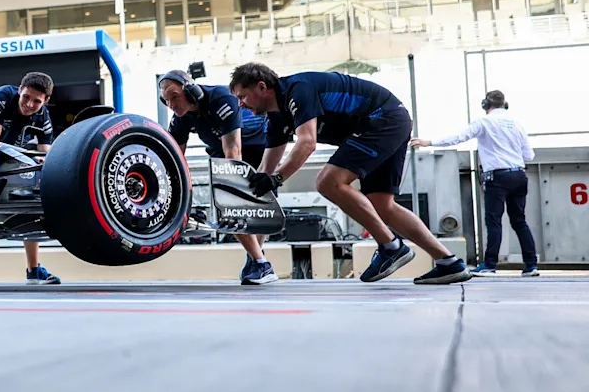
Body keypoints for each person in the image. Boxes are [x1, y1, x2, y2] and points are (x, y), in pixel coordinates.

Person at [229, 63, 470, 285]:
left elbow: (307, 143)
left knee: (328, 182)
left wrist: (277, 179)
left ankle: (391, 246)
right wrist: (252, 192)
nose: (240, 104)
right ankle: (449, 262)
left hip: (381, 119)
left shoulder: (296, 90)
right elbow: (266, 170)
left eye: (242, 96)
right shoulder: (277, 117)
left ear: (262, 87)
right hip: (389, 122)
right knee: (382, 204)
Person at [159, 69, 278, 285]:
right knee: (227, 208)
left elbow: (233, 151)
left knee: (254, 208)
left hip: (257, 148)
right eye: (166, 101)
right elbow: (175, 159)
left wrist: (232, 191)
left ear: (191, 90)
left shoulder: (222, 99)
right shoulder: (180, 118)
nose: (171, 105)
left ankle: (258, 261)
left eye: (174, 97)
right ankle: (260, 262)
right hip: (219, 150)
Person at [411, 89, 537, 276]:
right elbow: (529, 155)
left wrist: (429, 142)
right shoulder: (516, 124)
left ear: (486, 105)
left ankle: (490, 265)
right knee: (519, 221)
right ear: (505, 104)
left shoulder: (484, 122)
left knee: (494, 221)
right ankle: (531, 265)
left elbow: (459, 137)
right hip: (518, 175)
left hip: (497, 177)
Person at [0, 74, 58, 282]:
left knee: (32, 199)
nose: (29, 104)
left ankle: (33, 270)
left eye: (37, 101)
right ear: (19, 90)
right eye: (26, 97)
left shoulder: (43, 117)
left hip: (10, 151)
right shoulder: (3, 96)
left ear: (46, 101)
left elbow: (46, 157)